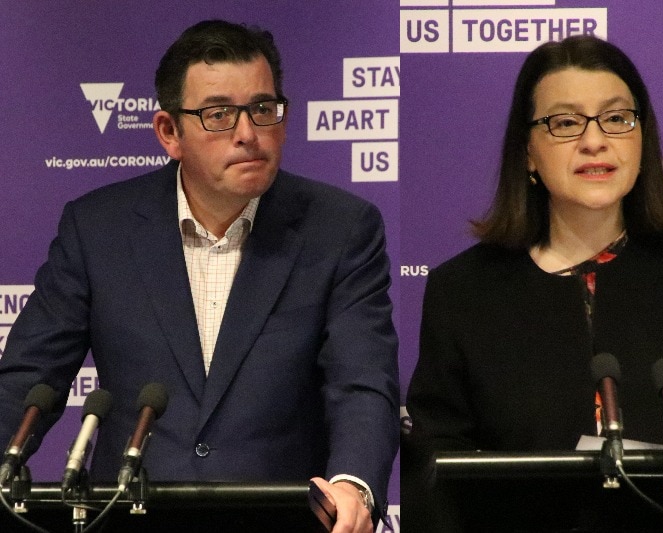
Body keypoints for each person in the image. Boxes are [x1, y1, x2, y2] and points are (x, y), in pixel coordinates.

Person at [0, 20, 398, 533]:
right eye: (218, 114)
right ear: (170, 132)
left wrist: (354, 483)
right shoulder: (98, 229)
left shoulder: (341, 230)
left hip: (277, 518)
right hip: (130, 515)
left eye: (262, 108)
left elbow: (362, 381)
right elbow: (29, 380)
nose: (248, 134)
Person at [403, 35, 663, 531]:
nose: (596, 141)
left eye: (616, 118)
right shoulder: (462, 291)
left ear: (641, 138)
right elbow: (435, 466)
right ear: (528, 152)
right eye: (566, 123)